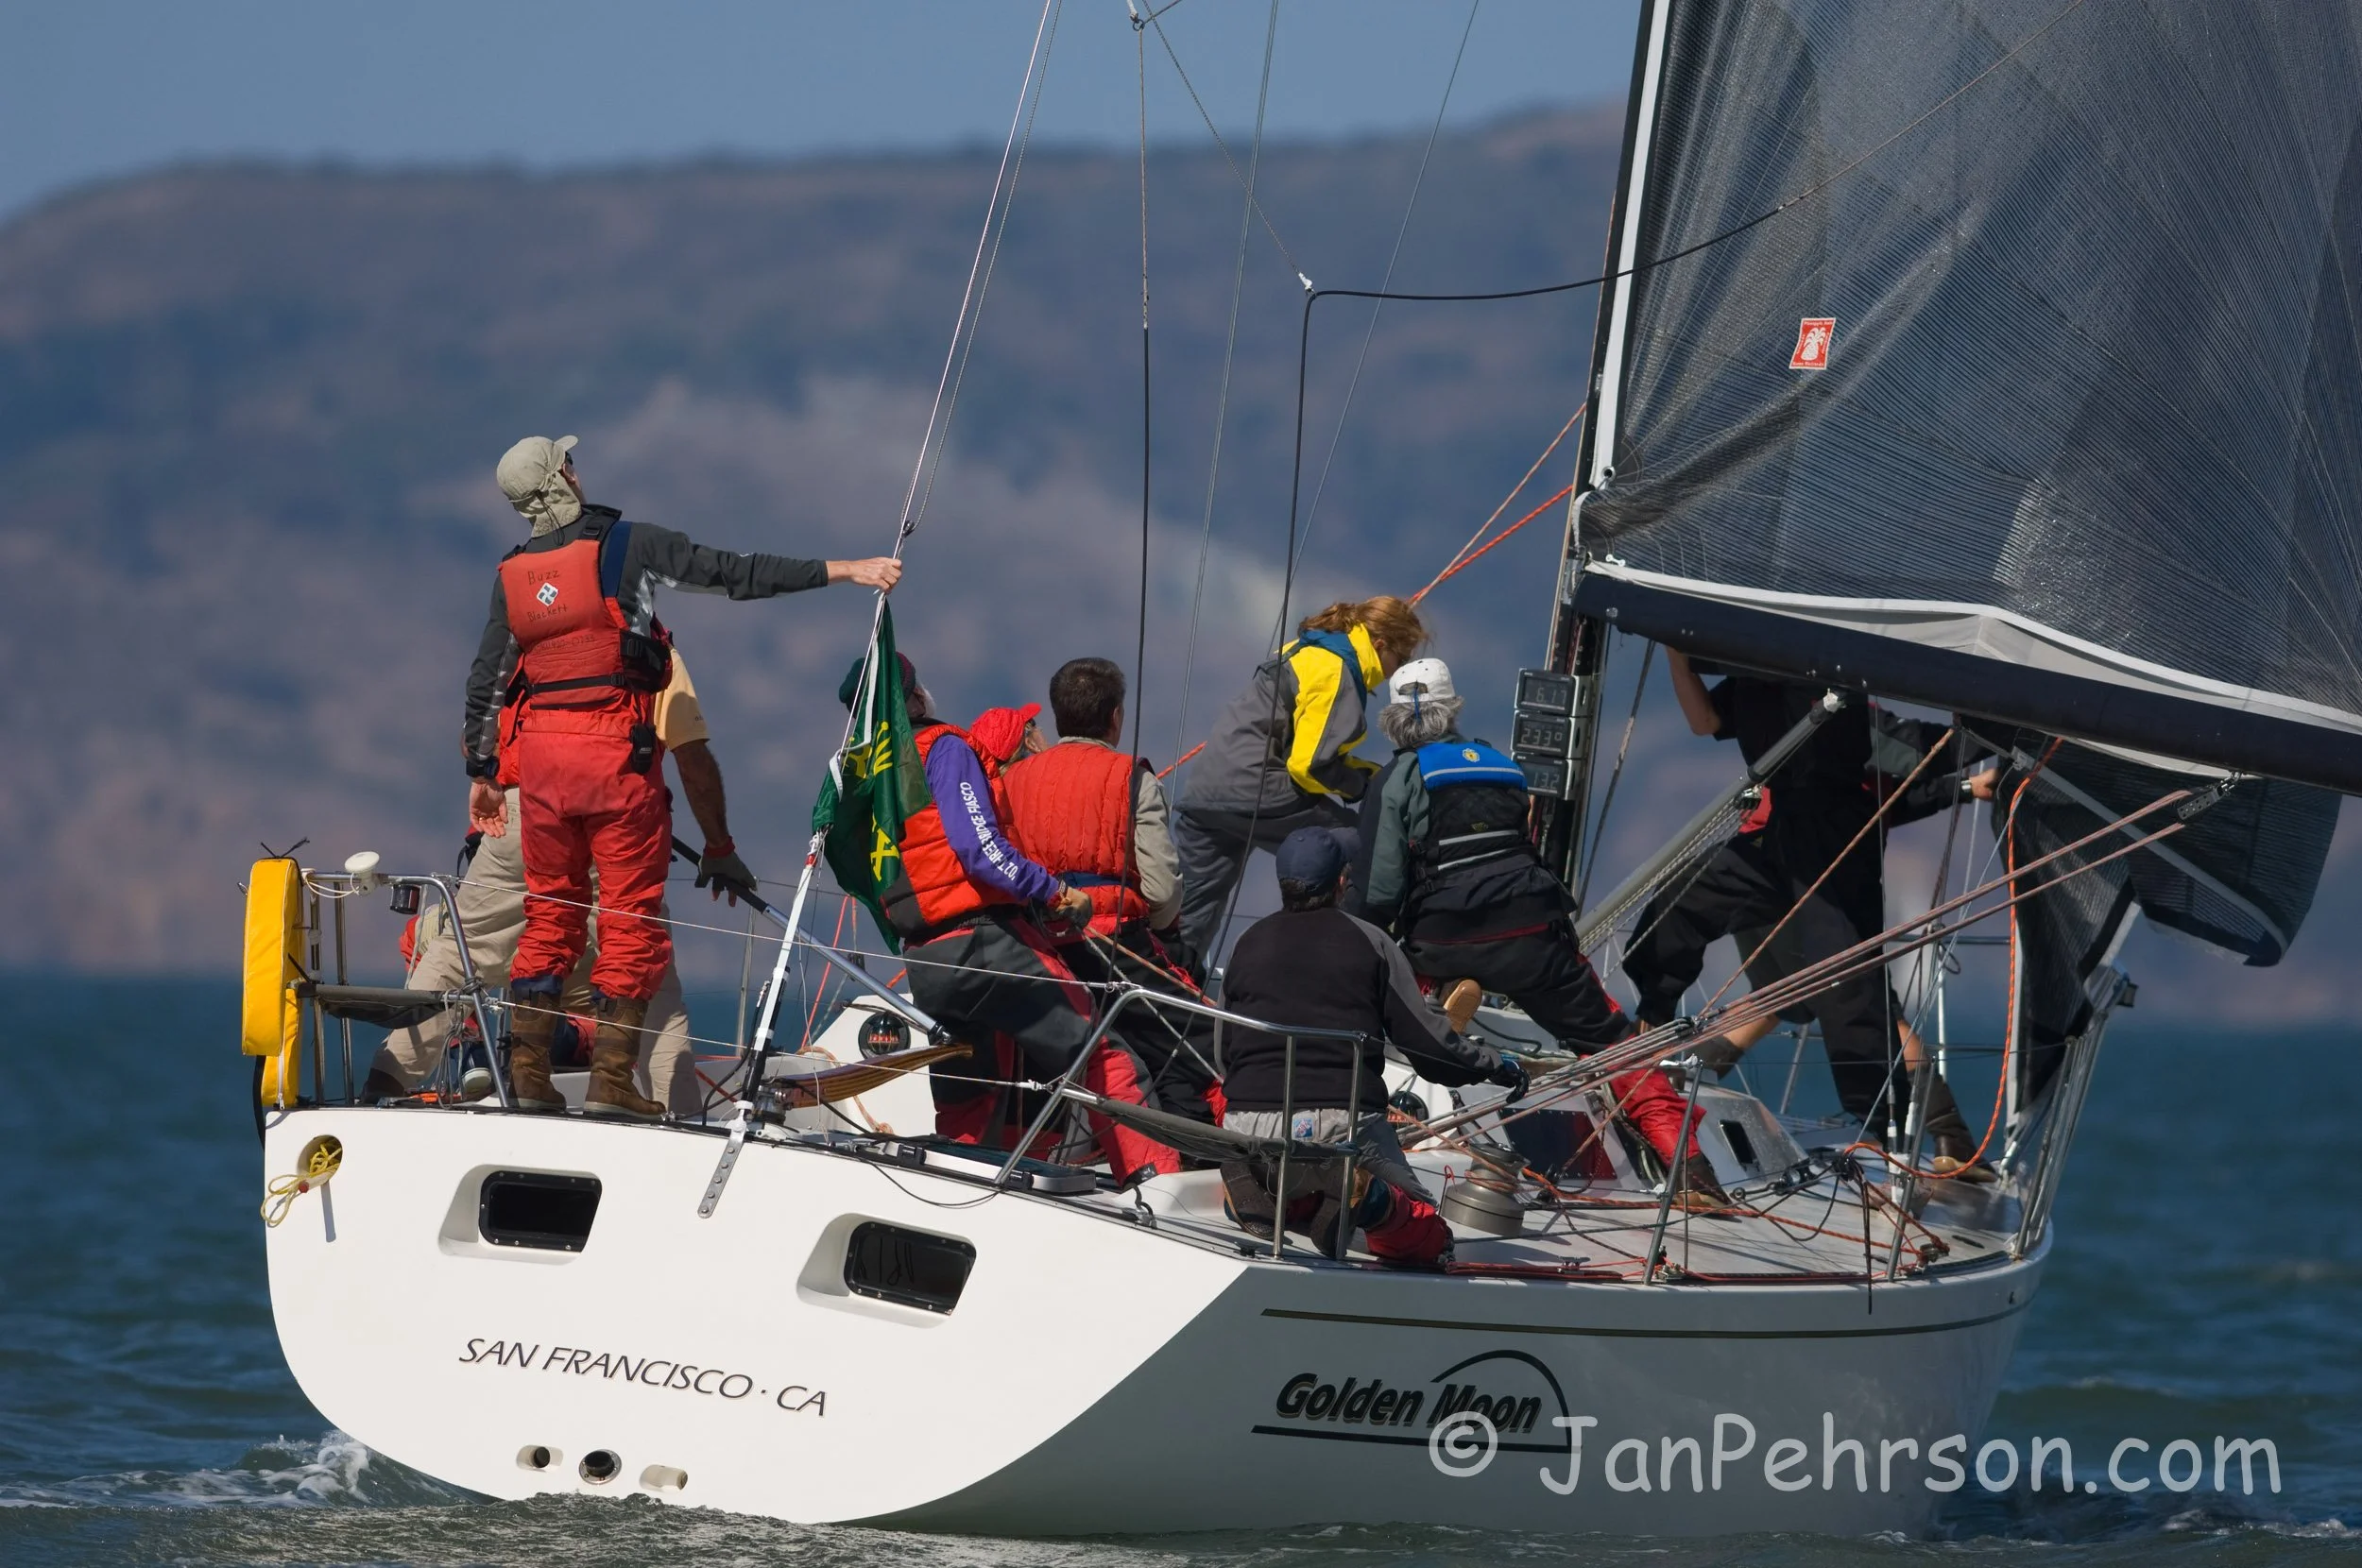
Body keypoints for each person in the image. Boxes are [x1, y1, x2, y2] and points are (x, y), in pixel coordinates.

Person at [463, 434, 899, 1116]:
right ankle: (611, 1083)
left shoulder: (511, 576)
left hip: (541, 771)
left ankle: (528, 1080)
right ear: (563, 476)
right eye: (570, 462)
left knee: (549, 914)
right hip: (615, 760)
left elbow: (487, 682)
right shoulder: (628, 545)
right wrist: (846, 570)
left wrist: (482, 771)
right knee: (628, 919)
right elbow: (732, 573)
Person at [1352, 657, 1723, 1206]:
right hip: (1534, 935)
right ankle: (1692, 1170)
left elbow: (1379, 891)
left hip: (1444, 938)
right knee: (1613, 1043)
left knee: (1388, 987)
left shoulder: (1397, 780)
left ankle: (1430, 1019)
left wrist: (1355, 946)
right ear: (1453, 708)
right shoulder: (1505, 767)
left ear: (1391, 721)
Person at [1622, 650, 1992, 1172]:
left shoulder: (1842, 702)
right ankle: (1644, 1043)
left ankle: (1890, 1135)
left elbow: (1906, 764)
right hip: (1773, 847)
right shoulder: (1752, 682)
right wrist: (1679, 660)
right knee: (1682, 909)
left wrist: (1983, 746)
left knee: (1839, 991)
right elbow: (1706, 722)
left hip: (1832, 852)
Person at [368, 651, 743, 1116]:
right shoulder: (651, 650)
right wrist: (719, 848)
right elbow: (691, 755)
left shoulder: (528, 642)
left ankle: (383, 1083)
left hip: (524, 811)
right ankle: (675, 1115)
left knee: (465, 947)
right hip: (617, 820)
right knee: (647, 974)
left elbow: (475, 740)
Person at [864, 657, 1178, 1181]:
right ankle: (1156, 1181)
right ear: (915, 699)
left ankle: (964, 1183)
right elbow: (979, 849)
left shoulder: (868, 774)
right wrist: (1053, 891)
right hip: (982, 944)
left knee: (973, 1090)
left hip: (924, 956)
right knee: (1102, 1056)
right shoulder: (944, 748)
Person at [1218, 827, 1525, 1267]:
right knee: (1427, 1234)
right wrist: (1494, 1065)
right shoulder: (1371, 941)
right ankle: (1364, 1196)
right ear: (1342, 881)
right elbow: (1428, 1048)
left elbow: (1225, 1049)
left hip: (1247, 1122)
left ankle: (1251, 1189)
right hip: (1339, 1122)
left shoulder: (1246, 943)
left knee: (1287, 1170)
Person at [1000, 657, 1220, 1127]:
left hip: (1037, 949)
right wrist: (1160, 928)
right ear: (1116, 716)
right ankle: (1194, 1151)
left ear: (1058, 714)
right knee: (1197, 1041)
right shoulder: (1132, 776)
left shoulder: (1009, 781)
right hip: (1117, 942)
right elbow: (1161, 887)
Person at [1172, 596, 1427, 962]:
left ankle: (1168, 981)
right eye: (1399, 659)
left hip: (1206, 791)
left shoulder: (1305, 649)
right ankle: (1339, 961)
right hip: (1257, 785)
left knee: (1192, 913)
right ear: (1380, 644)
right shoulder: (1337, 669)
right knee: (1363, 843)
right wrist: (1362, 786)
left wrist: (1363, 772)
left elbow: (1303, 742)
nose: (1396, 671)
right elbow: (1310, 765)